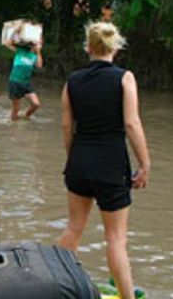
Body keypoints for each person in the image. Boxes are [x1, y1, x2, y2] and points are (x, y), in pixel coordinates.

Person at [58, 22, 151, 299]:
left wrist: (74, 159)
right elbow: (132, 124)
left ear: (88, 47)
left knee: (73, 229)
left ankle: (54, 282)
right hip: (111, 166)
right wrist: (145, 164)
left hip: (79, 163)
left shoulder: (72, 81)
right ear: (116, 47)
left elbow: (66, 127)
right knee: (116, 239)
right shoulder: (124, 78)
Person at [4, 37, 43, 120]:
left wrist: (38, 52)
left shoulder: (34, 56)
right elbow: (7, 43)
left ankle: (26, 116)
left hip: (26, 82)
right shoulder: (20, 51)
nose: (39, 45)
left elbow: (39, 65)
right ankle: (14, 126)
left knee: (36, 104)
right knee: (16, 109)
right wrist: (16, 33)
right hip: (15, 81)